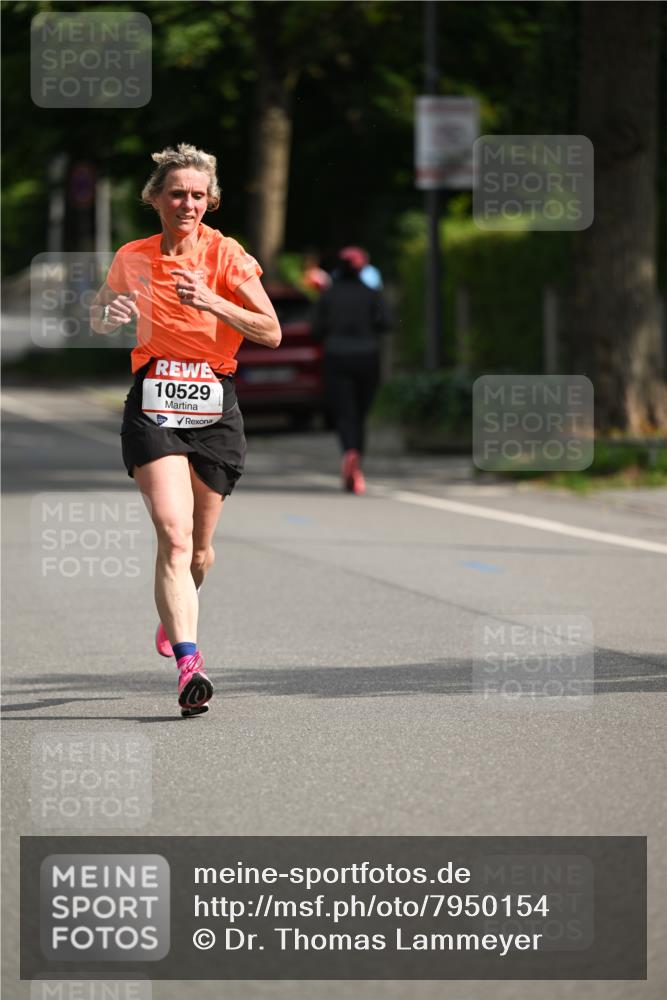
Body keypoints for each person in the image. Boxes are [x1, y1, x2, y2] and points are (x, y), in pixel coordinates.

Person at [90, 143, 281, 716]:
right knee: (172, 536)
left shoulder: (227, 256)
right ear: (156, 198)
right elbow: (100, 313)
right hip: (153, 401)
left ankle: (176, 612)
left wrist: (214, 303)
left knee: (198, 550)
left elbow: (270, 330)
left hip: (213, 403)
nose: (188, 203)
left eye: (198, 195)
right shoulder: (133, 256)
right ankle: (189, 664)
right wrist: (111, 316)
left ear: (211, 201)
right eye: (177, 193)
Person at [312, 246, 390, 495]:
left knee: (345, 412)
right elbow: (387, 322)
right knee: (360, 413)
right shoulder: (372, 293)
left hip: (336, 356)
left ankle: (349, 452)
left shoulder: (329, 295)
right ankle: (357, 459)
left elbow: (315, 329)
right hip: (367, 357)